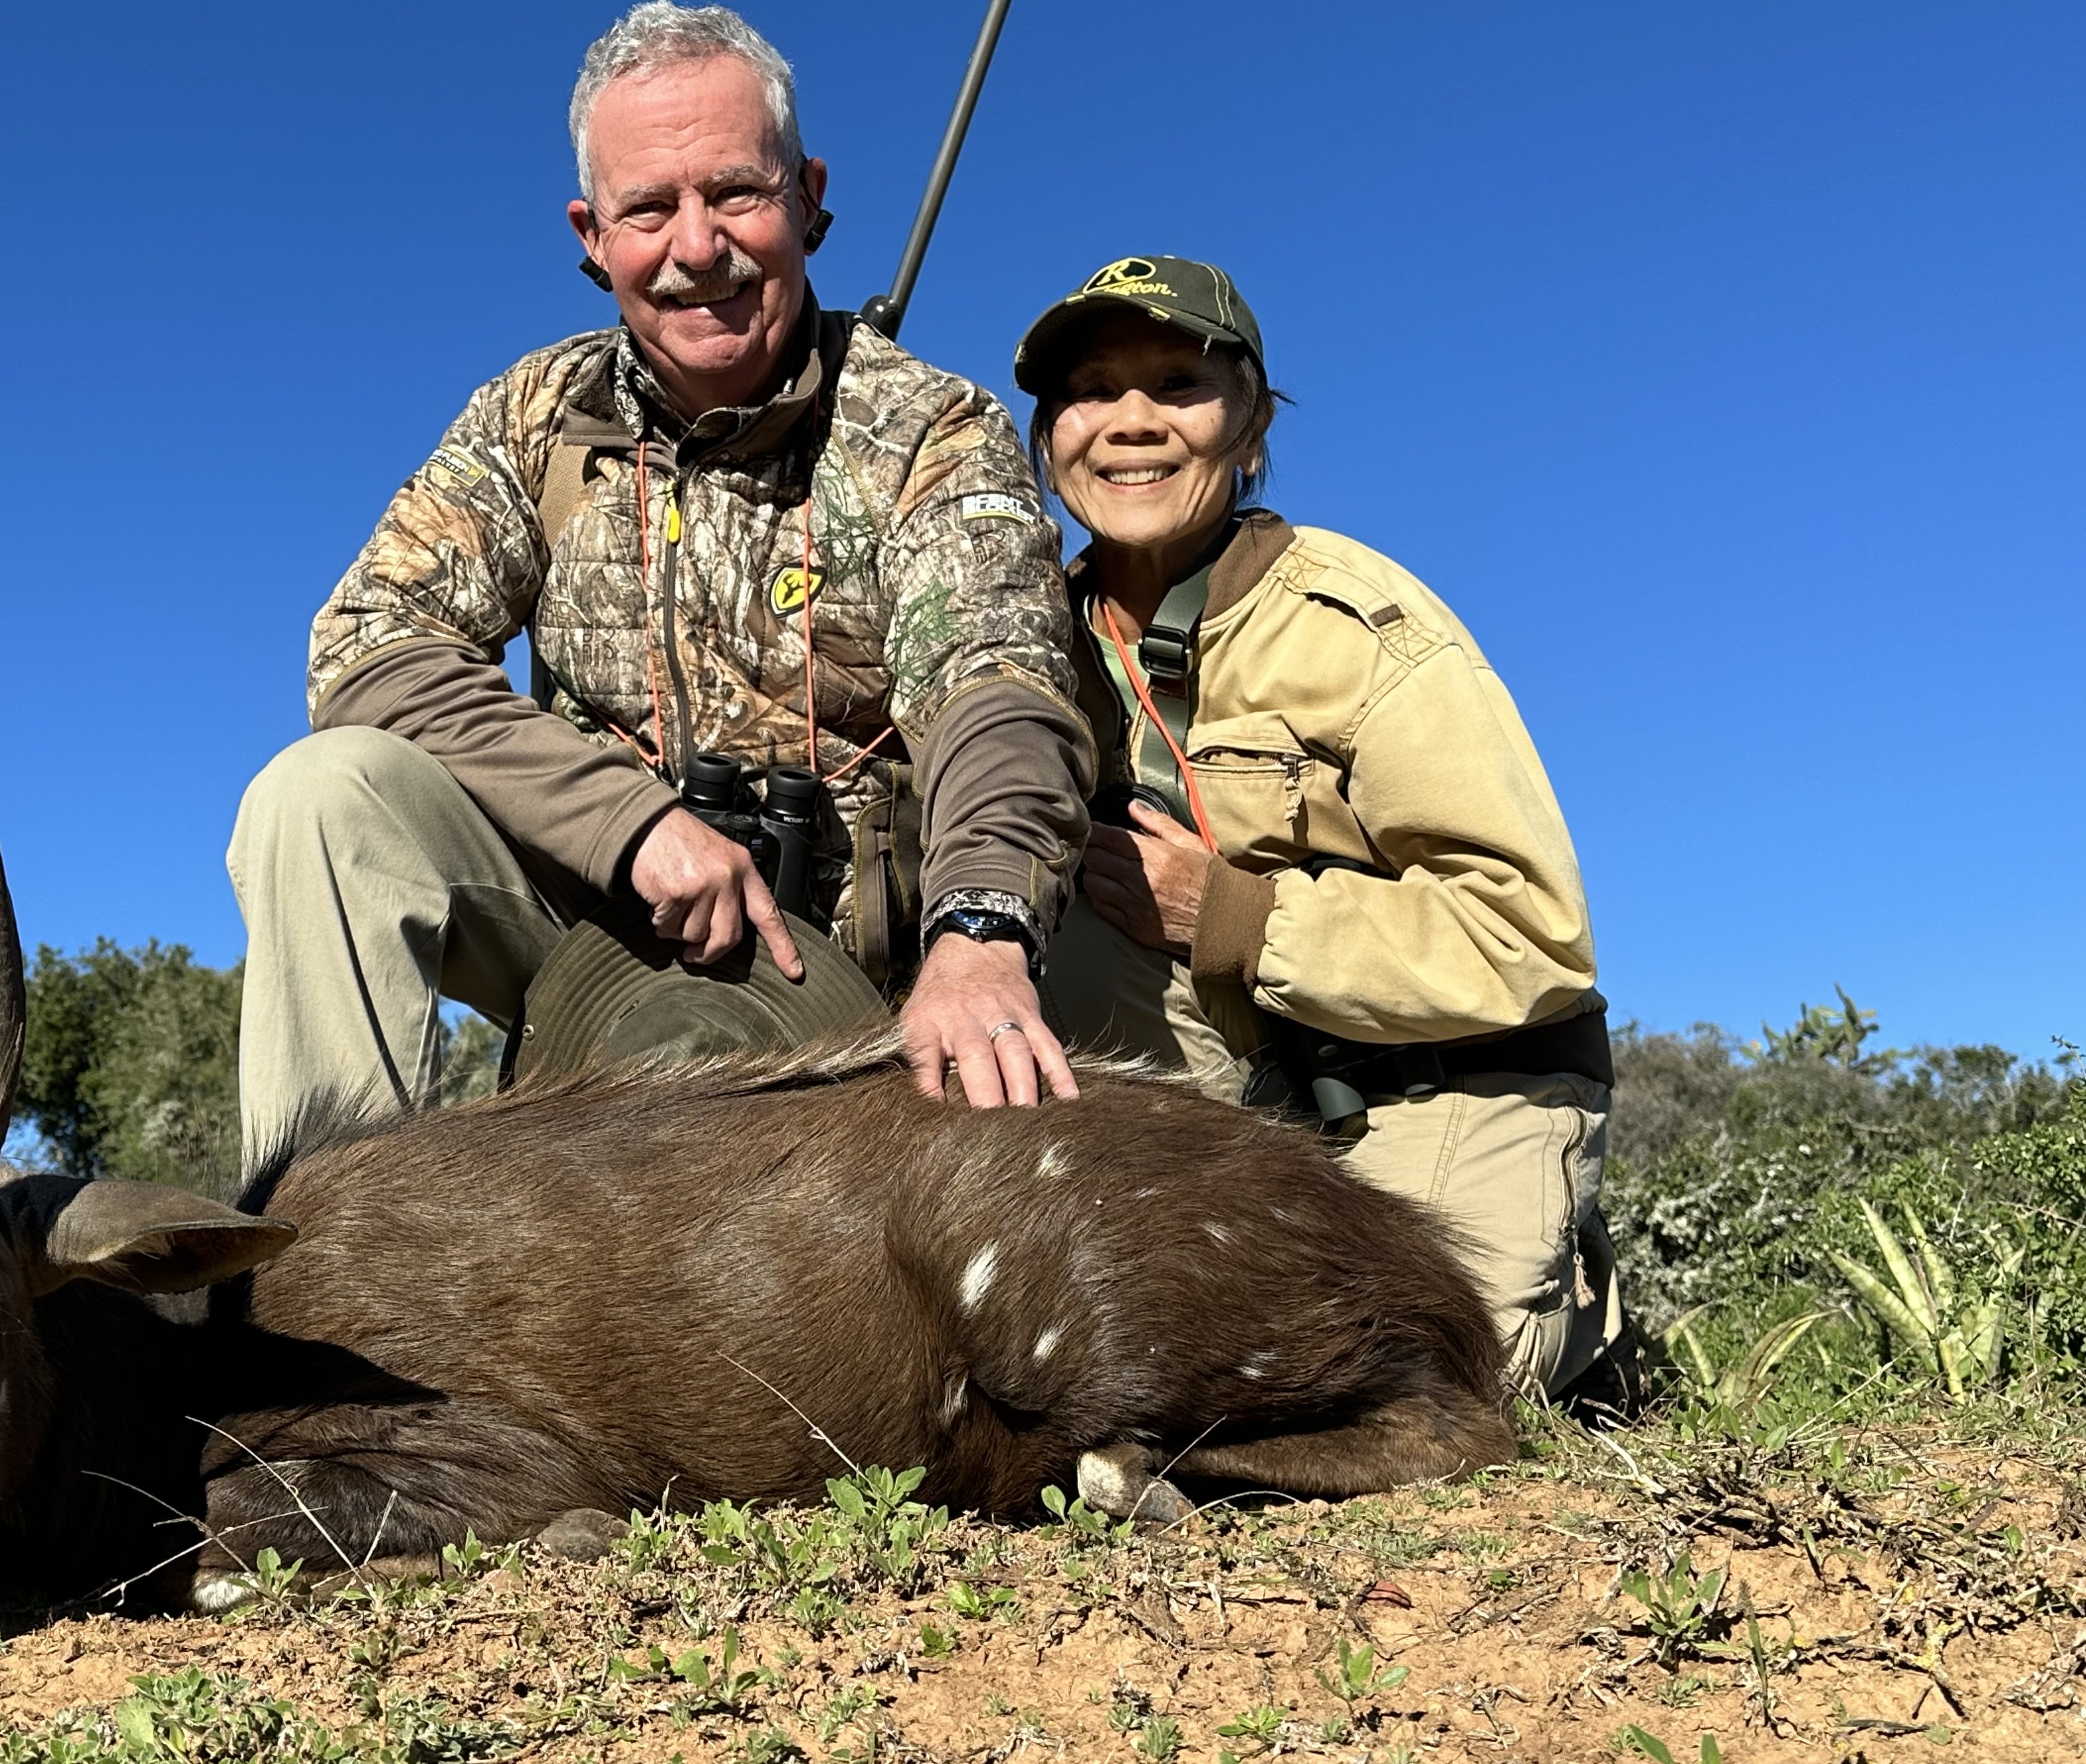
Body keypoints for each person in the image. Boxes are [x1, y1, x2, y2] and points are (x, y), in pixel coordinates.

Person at [229, 3, 1096, 1164]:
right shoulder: (533, 415)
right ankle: (317, 1269)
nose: (697, 248)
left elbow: (1000, 685)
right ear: (593, 235)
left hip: (848, 979)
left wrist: (984, 929)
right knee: (323, 794)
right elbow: (368, 650)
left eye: (735, 191)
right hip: (583, 944)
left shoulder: (933, 423)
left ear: (809, 198)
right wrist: (629, 825)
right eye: (649, 208)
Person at [1015, 256, 1620, 1400]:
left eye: (1177, 385)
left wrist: (1234, 912)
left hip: (1431, 1086)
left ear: (1249, 428)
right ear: (1047, 440)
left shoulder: (1361, 622)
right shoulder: (1019, 643)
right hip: (1201, 1110)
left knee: (1406, 1378)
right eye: (1091, 391)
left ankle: (1562, 1291)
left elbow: (1531, 935)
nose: (1130, 424)